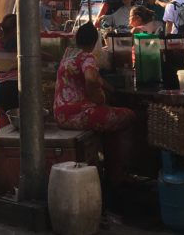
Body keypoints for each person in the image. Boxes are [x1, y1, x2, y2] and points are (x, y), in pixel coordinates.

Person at [54, 23, 135, 184]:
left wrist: (110, 88)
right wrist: (99, 99)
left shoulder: (69, 54)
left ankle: (112, 171)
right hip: (79, 115)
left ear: (76, 39)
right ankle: (117, 172)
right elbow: (91, 79)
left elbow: (95, 77)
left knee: (110, 124)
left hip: (61, 114)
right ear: (95, 41)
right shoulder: (87, 57)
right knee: (129, 115)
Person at [0, 14, 19, 113]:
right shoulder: (18, 45)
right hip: (17, 89)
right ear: (16, 28)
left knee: (10, 122)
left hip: (1, 89)